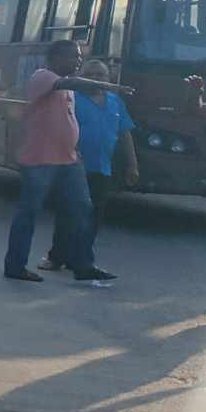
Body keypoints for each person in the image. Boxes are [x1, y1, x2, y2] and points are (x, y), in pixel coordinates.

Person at [5, 39, 128, 285]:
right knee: (29, 213)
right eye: (74, 57)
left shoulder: (70, 88)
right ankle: (15, 265)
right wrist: (103, 83)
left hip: (68, 159)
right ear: (57, 58)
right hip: (40, 159)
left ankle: (83, 264)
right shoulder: (44, 77)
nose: (78, 61)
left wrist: (74, 146)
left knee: (83, 209)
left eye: (79, 57)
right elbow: (68, 82)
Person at [39, 59, 135, 272]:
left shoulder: (115, 101)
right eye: (90, 74)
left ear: (108, 78)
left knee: (94, 216)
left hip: (103, 168)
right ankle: (56, 257)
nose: (96, 78)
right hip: (73, 166)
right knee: (68, 213)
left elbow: (125, 133)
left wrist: (132, 166)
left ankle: (81, 259)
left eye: (100, 75)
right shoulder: (71, 99)